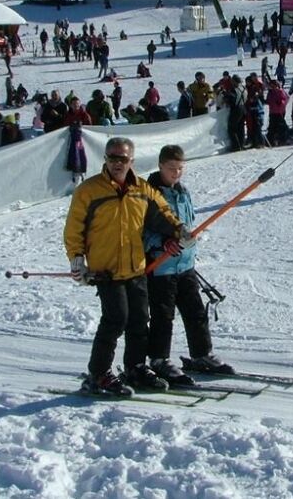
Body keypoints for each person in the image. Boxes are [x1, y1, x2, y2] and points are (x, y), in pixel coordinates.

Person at [64, 137, 186, 396]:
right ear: (105, 159)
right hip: (105, 270)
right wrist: (77, 261)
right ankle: (97, 375)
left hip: (136, 267)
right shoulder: (89, 191)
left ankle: (135, 367)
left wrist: (178, 230)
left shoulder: (142, 189)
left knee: (140, 320)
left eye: (123, 158)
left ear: (132, 161)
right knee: (115, 319)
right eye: (112, 157)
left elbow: (163, 213)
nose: (117, 163)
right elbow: (74, 229)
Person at [144, 145, 233, 386]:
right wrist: (161, 243)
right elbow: (139, 230)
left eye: (180, 168)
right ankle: (158, 359)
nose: (176, 173)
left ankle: (201, 354)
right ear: (160, 165)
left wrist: (190, 241)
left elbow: (188, 223)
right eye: (171, 168)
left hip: (185, 264)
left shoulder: (183, 192)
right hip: (161, 266)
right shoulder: (148, 194)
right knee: (163, 315)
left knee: (195, 311)